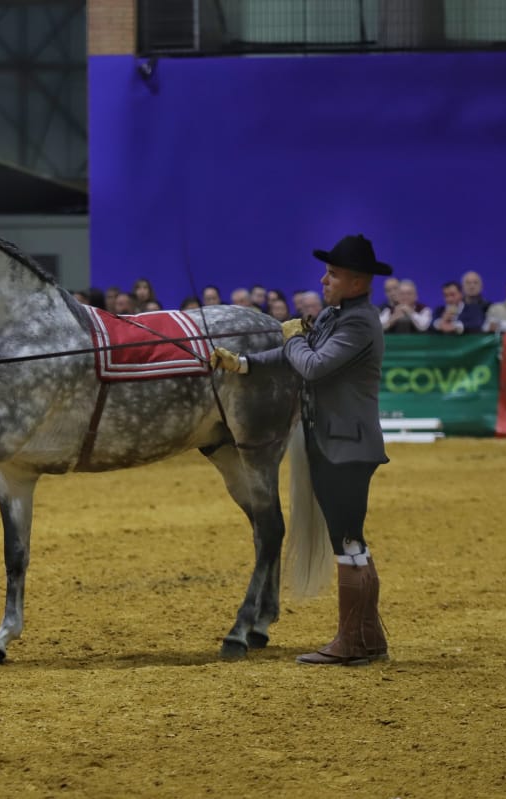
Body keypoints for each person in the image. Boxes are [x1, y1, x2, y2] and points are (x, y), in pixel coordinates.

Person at [209, 233, 390, 667]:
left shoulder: (359, 323)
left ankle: (353, 642)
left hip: (345, 444)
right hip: (332, 440)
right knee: (349, 541)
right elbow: (294, 349)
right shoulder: (336, 314)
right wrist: (246, 363)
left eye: (333, 274)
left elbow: (311, 364)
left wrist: (292, 338)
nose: (324, 280)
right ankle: (368, 639)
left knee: (347, 542)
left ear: (357, 281)